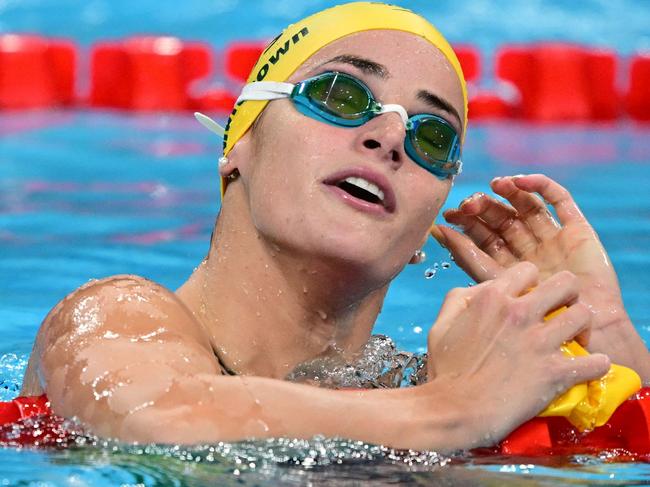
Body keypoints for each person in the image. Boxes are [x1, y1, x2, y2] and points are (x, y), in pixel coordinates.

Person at [19, 2, 649, 451]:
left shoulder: (424, 382)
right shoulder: (116, 316)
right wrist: (454, 411)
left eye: (434, 137)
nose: (391, 136)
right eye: (341, 97)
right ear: (238, 145)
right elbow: (156, 417)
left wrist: (607, 339)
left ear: (424, 229)